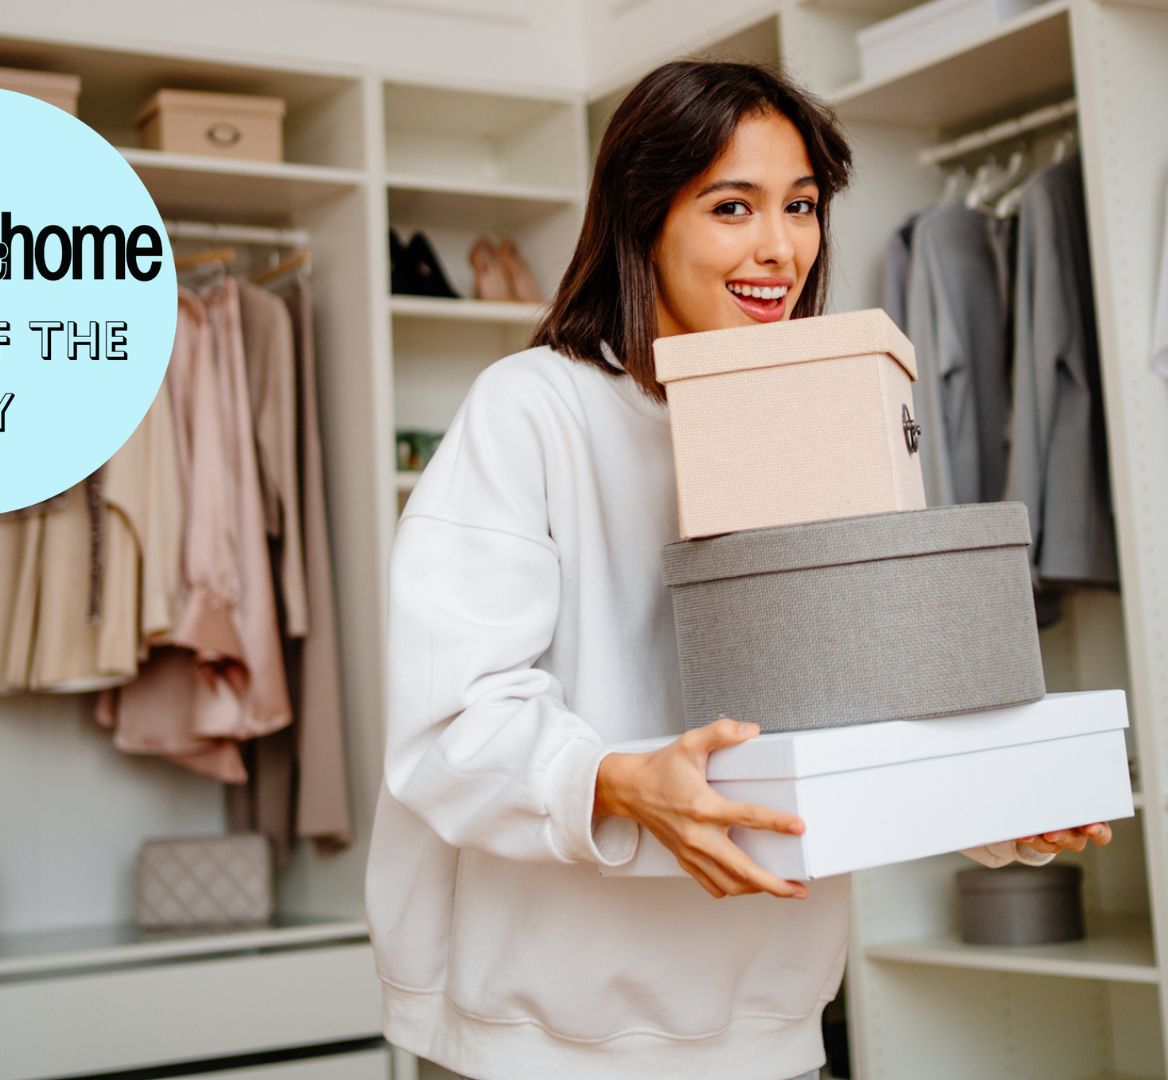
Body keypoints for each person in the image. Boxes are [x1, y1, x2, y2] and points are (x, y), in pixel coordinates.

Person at [364, 59, 1113, 1080]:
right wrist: (621, 783)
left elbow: (866, 699)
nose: (780, 247)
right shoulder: (533, 408)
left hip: (765, 1031)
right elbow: (449, 722)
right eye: (732, 206)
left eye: (801, 207)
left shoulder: (832, 408)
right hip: (546, 1043)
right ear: (645, 217)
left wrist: (989, 806)